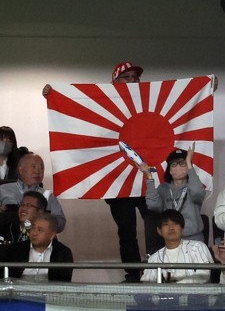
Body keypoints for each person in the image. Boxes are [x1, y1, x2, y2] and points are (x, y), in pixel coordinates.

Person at [44, 62, 155, 282]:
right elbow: (80, 122)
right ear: (115, 82)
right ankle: (133, 275)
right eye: (127, 77)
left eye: (135, 77)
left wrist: (206, 89)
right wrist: (52, 94)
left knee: (155, 227)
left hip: (146, 178)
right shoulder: (101, 103)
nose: (133, 80)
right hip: (117, 180)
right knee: (126, 232)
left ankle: (158, 271)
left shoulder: (148, 100)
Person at [140, 144, 206, 254]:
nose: (178, 167)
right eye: (174, 165)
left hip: (194, 240)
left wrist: (189, 163)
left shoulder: (193, 186)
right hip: (171, 241)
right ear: (169, 170)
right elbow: (153, 205)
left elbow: (199, 193)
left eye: (183, 164)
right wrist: (149, 177)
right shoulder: (163, 188)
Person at [141, 209, 213, 283]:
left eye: (175, 223)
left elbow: (203, 276)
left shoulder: (197, 247)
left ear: (182, 228)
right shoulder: (154, 259)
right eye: (166, 224)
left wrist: (174, 287)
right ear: (159, 231)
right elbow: (147, 287)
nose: (171, 228)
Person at [0, 153, 66, 232]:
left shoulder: (48, 195)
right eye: (33, 167)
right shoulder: (3, 189)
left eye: (41, 168)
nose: (38, 171)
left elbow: (61, 223)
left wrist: (43, 220)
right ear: (20, 170)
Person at [2, 212, 73, 282]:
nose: (34, 233)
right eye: (33, 228)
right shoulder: (15, 249)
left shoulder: (63, 253)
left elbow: (63, 284)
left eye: (40, 230)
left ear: (52, 235)